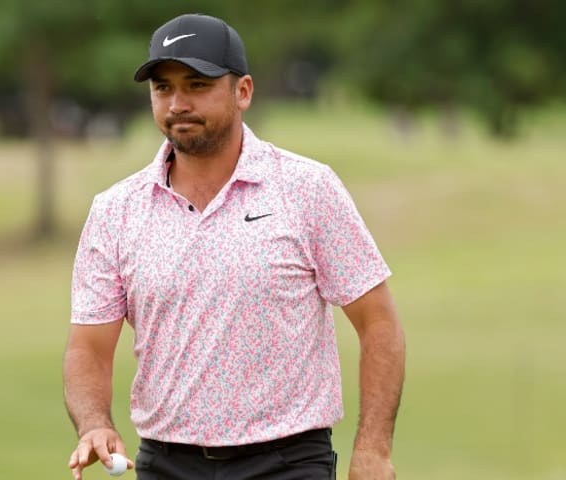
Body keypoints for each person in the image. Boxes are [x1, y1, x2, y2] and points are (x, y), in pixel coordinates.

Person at [64, 13, 405, 480]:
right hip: (166, 464)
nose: (177, 102)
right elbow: (88, 349)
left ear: (243, 91)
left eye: (197, 84)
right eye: (163, 88)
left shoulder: (306, 188)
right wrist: (94, 423)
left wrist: (373, 450)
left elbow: (379, 323)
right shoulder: (116, 210)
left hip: (287, 463)